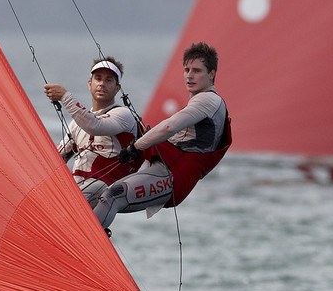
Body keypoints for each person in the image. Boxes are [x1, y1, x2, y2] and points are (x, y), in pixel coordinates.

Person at [92, 42, 231, 231]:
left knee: (112, 195)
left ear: (212, 74)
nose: (189, 75)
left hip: (171, 177)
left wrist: (135, 147)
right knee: (97, 196)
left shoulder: (208, 100)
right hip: (162, 170)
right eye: (187, 69)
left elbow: (169, 126)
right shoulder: (203, 100)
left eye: (197, 70)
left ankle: (79, 247)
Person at [44, 58, 142, 200]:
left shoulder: (123, 114)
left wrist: (65, 97)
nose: (102, 84)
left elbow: (95, 126)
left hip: (106, 191)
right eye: (98, 79)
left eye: (109, 80)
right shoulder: (77, 124)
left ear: (117, 88)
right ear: (90, 84)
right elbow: (56, 159)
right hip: (78, 191)